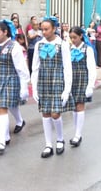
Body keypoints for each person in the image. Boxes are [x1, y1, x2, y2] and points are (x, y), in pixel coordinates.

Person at [31, 16, 73, 158]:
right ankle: (48, 144)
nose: (44, 32)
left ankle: (60, 139)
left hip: (57, 81)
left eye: (46, 29)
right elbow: (35, 67)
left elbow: (67, 67)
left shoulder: (62, 45)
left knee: (56, 113)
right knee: (45, 113)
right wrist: (34, 87)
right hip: (43, 81)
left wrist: (67, 90)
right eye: (42, 29)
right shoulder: (39, 45)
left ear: (54, 29)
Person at [0, 20, 30, 153]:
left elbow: (21, 68)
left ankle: (1, 141)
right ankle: (9, 131)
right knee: (1, 107)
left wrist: (24, 86)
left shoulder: (14, 46)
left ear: (5, 32)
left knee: (2, 107)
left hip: (10, 80)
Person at [68, 26, 96, 147]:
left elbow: (91, 68)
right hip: (71, 80)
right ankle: (76, 131)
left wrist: (90, 85)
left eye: (74, 37)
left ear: (80, 36)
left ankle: (78, 135)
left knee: (80, 106)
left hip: (82, 79)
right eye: (70, 38)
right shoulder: (69, 49)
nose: (73, 40)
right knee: (74, 107)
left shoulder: (87, 49)